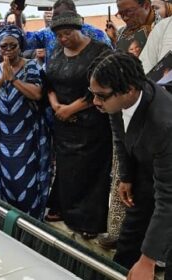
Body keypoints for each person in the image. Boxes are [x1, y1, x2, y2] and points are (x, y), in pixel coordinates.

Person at [88, 50, 172, 280]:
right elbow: (120, 136)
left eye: (101, 96)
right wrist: (126, 176)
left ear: (129, 91)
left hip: (168, 181)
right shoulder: (115, 98)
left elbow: (168, 199)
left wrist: (148, 260)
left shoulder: (164, 123)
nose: (95, 101)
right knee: (127, 247)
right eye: (92, 93)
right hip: (144, 173)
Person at [45, 11, 112, 238]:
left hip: (92, 121)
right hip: (63, 122)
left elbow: (104, 86)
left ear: (79, 28)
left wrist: (71, 108)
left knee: (90, 171)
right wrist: (56, 107)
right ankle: (65, 211)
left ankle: (89, 222)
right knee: (66, 169)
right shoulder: (55, 51)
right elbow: (49, 82)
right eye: (59, 35)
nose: (63, 39)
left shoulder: (100, 51)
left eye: (67, 33)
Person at [0, 25, 52, 218]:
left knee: (28, 182)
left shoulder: (32, 66)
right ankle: (5, 223)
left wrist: (15, 80)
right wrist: (2, 79)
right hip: (1, 139)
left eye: (13, 45)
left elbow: (37, 94)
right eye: (3, 46)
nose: (8, 49)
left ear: (21, 46)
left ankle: (29, 224)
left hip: (28, 138)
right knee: (3, 182)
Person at [10, 0, 112, 65]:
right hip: (52, 92)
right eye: (55, 17)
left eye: (62, 16)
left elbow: (109, 61)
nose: (57, 21)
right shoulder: (48, 33)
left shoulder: (97, 35)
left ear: (74, 15)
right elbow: (24, 41)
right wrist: (18, 16)